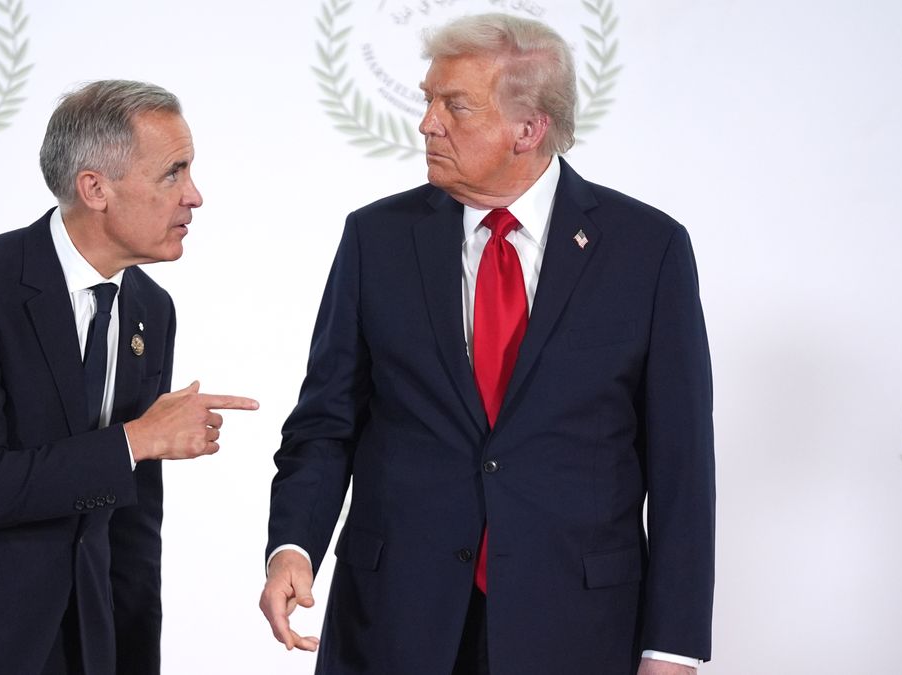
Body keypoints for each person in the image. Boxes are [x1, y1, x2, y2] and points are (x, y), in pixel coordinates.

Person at [260, 14, 714, 675]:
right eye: (428, 99)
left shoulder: (647, 250)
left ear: (528, 129)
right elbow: (326, 424)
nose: (427, 123)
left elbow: (682, 466)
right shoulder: (376, 240)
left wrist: (670, 647)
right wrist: (292, 546)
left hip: (575, 630)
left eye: (455, 106)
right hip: (395, 622)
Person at [0, 80, 258, 675]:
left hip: (76, 645)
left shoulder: (151, 309)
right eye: (173, 173)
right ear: (95, 188)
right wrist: (136, 440)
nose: (195, 196)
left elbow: (132, 525)